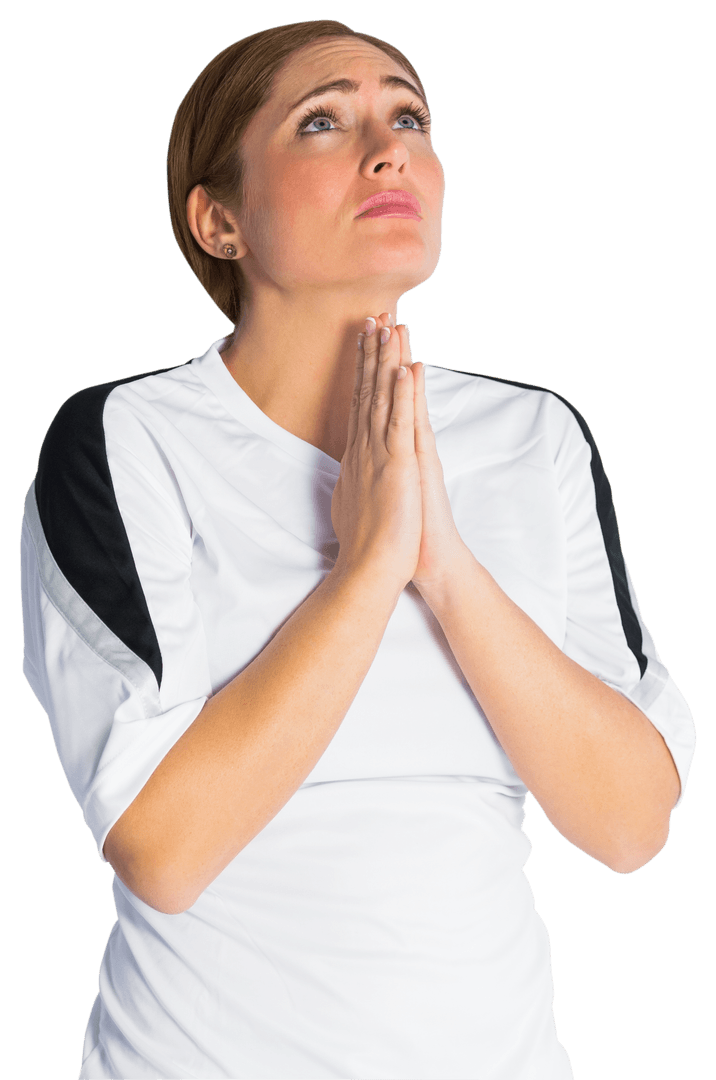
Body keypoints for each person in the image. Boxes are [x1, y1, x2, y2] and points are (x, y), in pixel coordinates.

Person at [20, 18, 696, 1080]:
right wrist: (368, 568)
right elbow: (164, 848)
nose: (390, 151)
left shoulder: (533, 436)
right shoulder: (127, 441)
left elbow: (630, 823)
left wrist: (446, 567)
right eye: (323, 122)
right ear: (219, 220)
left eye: (409, 117)